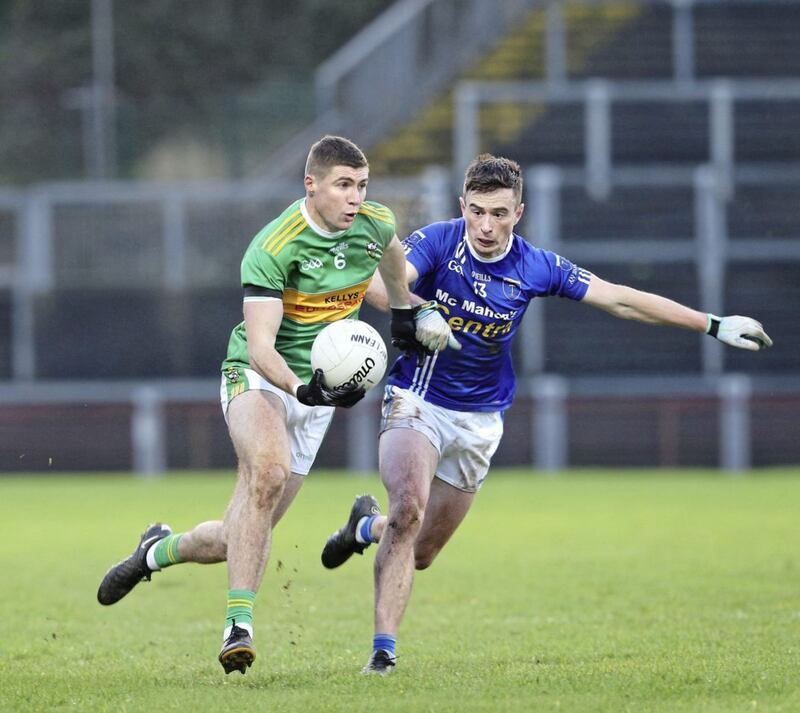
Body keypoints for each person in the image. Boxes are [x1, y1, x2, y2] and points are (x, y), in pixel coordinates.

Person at [320, 153, 774, 675]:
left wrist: (712, 324)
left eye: (499, 213)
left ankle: (363, 527)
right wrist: (417, 310)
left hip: (481, 420)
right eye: (476, 212)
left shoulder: (537, 267)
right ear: (461, 206)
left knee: (419, 550)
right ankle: (383, 655)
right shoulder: (438, 241)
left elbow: (620, 299)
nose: (486, 226)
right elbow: (380, 287)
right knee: (408, 507)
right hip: (416, 398)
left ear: (519, 212)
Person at [95, 135, 458, 675]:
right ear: (310, 185)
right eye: (342, 186)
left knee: (237, 533)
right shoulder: (273, 246)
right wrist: (302, 389)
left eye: (361, 186)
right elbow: (262, 347)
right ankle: (237, 627)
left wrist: (408, 311)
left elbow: (384, 264)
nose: (354, 198)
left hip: (317, 397)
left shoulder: (376, 222)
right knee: (266, 474)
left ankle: (155, 551)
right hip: (261, 378)